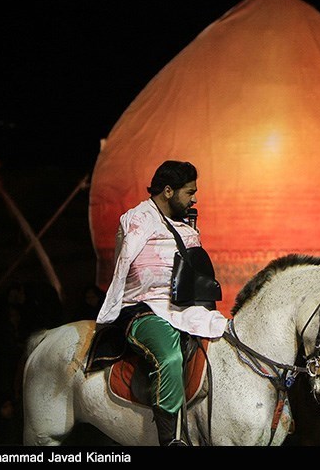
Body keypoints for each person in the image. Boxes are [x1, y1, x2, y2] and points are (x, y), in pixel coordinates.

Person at [96, 160, 228, 446]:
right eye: (189, 192)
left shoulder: (183, 227)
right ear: (168, 191)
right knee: (170, 357)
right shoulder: (136, 220)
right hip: (142, 310)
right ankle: (170, 439)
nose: (194, 198)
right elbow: (133, 270)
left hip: (182, 309)